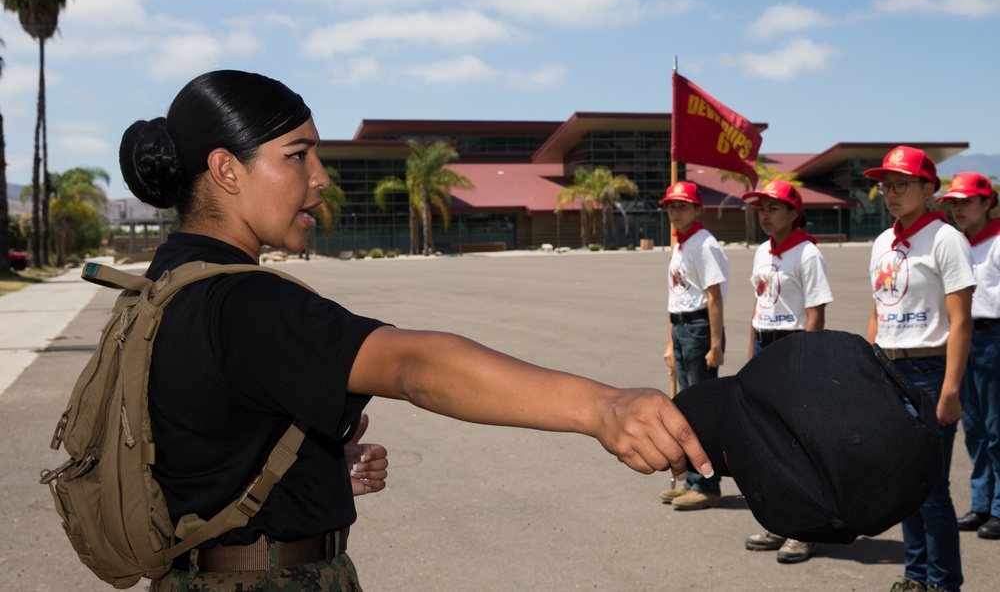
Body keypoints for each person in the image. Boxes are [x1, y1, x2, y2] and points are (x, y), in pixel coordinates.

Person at [119, 70, 712, 592]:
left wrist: (307, 472)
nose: (320, 178)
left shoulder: (169, 284)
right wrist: (602, 407)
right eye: (297, 156)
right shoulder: (246, 301)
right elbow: (412, 365)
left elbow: (200, 440)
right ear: (226, 170)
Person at [864, 146, 975, 592]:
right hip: (889, 371)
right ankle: (915, 575)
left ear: (929, 189)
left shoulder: (946, 240)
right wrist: (868, 366)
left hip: (929, 372)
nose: (891, 193)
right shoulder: (881, 242)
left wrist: (951, 389)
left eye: (902, 184)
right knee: (904, 484)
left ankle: (944, 582)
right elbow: (878, 311)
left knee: (932, 490)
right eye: (886, 185)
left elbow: (962, 319)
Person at [739, 179, 833, 564]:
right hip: (764, 344)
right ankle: (779, 522)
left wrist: (804, 364)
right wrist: (750, 359)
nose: (764, 214)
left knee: (797, 446)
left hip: (793, 347)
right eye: (761, 208)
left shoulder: (807, 253)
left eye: (773, 208)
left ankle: (805, 530)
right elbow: (758, 306)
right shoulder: (762, 251)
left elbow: (816, 314)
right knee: (771, 444)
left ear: (794, 213)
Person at [657, 181, 728, 510]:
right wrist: (670, 341)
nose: (675, 211)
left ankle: (707, 485)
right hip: (681, 327)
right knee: (683, 407)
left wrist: (715, 344)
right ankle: (694, 480)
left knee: (701, 411)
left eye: (682, 205)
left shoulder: (704, 243)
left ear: (698, 209)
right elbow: (676, 297)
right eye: (671, 206)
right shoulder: (680, 243)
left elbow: (713, 297)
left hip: (700, 328)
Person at [937, 172, 1000, 541]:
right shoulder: (958, 243)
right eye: (953, 203)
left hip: (993, 337)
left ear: (987, 202)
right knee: (974, 427)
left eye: (965, 201)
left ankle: (997, 507)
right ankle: (981, 503)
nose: (958, 208)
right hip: (964, 338)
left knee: (996, 428)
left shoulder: (996, 242)